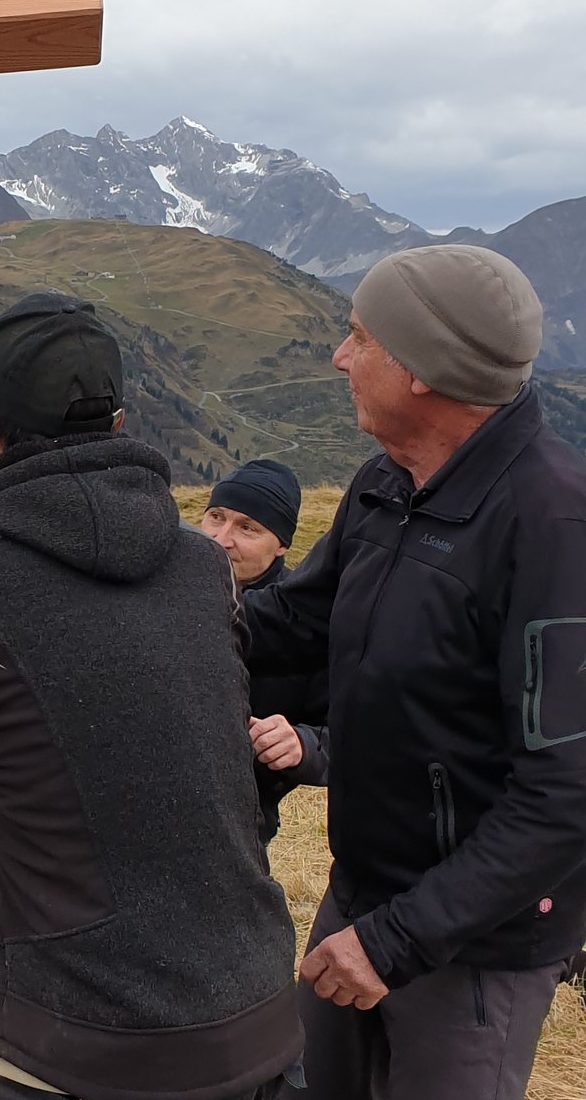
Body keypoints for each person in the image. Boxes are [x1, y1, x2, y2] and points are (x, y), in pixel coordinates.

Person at [0, 292, 304, 1100]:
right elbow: (100, 750)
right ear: (118, 427)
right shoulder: (202, 568)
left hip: (85, 1050)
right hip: (258, 1021)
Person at [242, 245, 586, 1100]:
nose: (339, 356)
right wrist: (154, 618)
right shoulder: (387, 484)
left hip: (475, 949)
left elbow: (568, 790)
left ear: (425, 371)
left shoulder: (554, 524)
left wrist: (396, 942)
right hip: (363, 897)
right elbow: (294, 621)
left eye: (360, 337)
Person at [199, 458, 330, 845]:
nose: (222, 538)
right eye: (216, 516)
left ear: (282, 545)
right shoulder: (160, 593)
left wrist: (303, 745)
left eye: (248, 528)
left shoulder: (306, 625)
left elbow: (356, 736)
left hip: (242, 825)